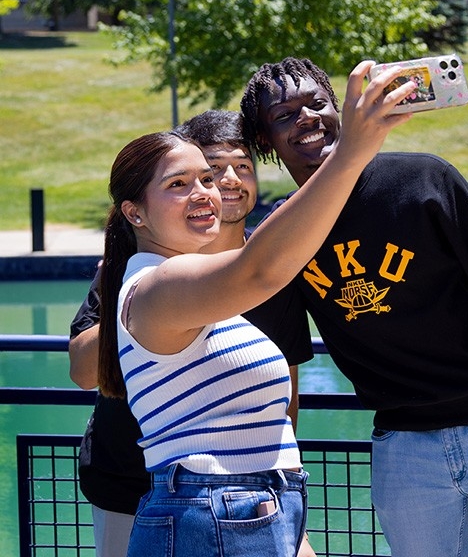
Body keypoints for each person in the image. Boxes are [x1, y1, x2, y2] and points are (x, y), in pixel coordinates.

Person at [240, 56, 468, 557]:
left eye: (316, 103)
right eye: (284, 115)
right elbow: (282, 356)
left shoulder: (424, 180)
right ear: (265, 141)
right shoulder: (283, 234)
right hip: (404, 445)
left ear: (341, 109)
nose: (304, 118)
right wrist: (278, 465)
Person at [95, 62, 414, 557]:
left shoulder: (194, 288)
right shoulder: (156, 284)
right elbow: (260, 270)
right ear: (135, 213)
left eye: (205, 179)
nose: (204, 192)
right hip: (211, 512)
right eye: (178, 185)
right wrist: (350, 152)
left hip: (255, 509)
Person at [69, 110, 312, 557]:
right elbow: (85, 371)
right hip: (139, 482)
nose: (224, 183)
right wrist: (149, 304)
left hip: (253, 498)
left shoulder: (274, 279)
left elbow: (285, 398)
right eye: (207, 171)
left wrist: (276, 494)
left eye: (240, 168)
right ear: (135, 212)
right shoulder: (140, 277)